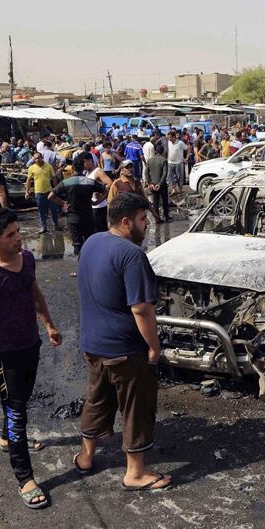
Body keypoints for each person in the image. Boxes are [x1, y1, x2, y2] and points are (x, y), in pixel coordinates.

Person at [72, 193, 172, 492]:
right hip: (125, 349)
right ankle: (135, 473)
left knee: (98, 399)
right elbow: (141, 308)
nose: (148, 225)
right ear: (126, 221)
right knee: (136, 408)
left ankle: (86, 456)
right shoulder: (132, 255)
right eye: (143, 219)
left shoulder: (92, 242)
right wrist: (154, 346)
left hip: (94, 344)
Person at [0, 208, 61, 509]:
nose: (18, 238)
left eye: (18, 231)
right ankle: (25, 479)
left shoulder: (27, 260)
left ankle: (6, 439)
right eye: (10, 235)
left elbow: (35, 292)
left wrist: (48, 324)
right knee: (17, 412)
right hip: (5, 354)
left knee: (20, 401)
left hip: (31, 344)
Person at [49, 153, 107, 257]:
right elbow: (106, 189)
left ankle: (81, 269)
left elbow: (50, 196)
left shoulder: (66, 182)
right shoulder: (90, 182)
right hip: (88, 217)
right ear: (83, 169)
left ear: (72, 169)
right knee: (90, 244)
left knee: (77, 245)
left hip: (73, 219)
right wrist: (97, 201)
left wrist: (63, 203)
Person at [25, 152, 60, 233]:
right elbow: (28, 180)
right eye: (35, 159)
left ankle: (56, 226)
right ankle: (43, 227)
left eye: (38, 158)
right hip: (38, 193)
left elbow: (54, 178)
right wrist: (27, 192)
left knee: (54, 209)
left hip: (49, 192)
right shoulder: (32, 168)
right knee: (41, 211)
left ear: (42, 157)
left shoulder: (48, 166)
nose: (37, 160)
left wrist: (56, 190)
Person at [144, 144, 170, 223]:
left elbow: (146, 173)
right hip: (162, 185)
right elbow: (164, 174)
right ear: (162, 151)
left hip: (153, 184)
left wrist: (149, 183)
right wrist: (160, 183)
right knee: (165, 201)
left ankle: (157, 218)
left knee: (156, 201)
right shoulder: (164, 160)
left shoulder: (150, 160)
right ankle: (166, 216)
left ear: (155, 151)